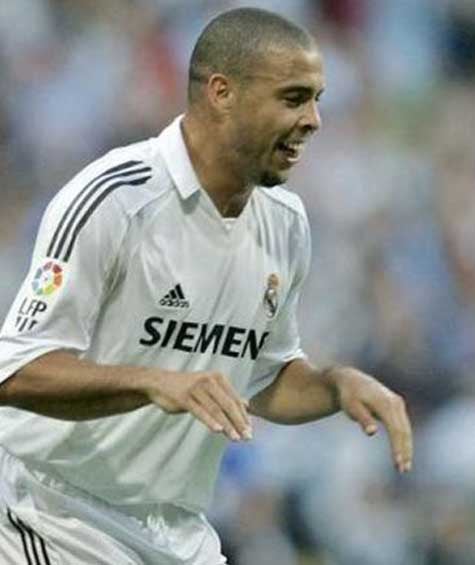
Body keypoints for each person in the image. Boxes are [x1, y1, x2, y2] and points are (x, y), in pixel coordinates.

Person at [0, 8, 412, 564]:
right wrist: (153, 382)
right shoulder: (115, 199)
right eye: (294, 98)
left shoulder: (286, 224)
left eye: (318, 98)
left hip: (179, 532)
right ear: (222, 92)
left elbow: (261, 379)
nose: (314, 119)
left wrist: (335, 386)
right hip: (56, 515)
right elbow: (16, 372)